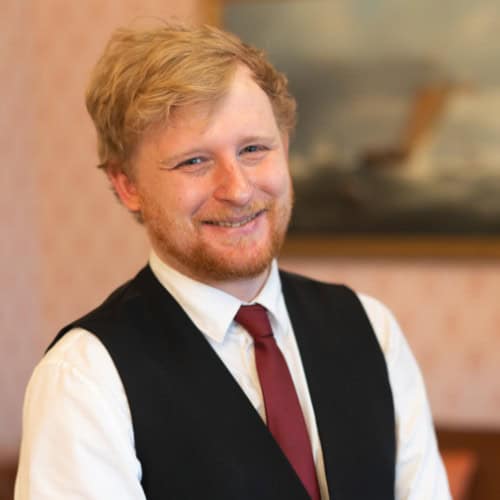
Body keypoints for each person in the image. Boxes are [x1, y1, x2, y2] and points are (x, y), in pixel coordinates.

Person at [15, 23, 451, 500]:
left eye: (253, 149)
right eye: (194, 162)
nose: (238, 189)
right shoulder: (85, 379)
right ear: (128, 186)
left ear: (284, 149)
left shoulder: (373, 329)